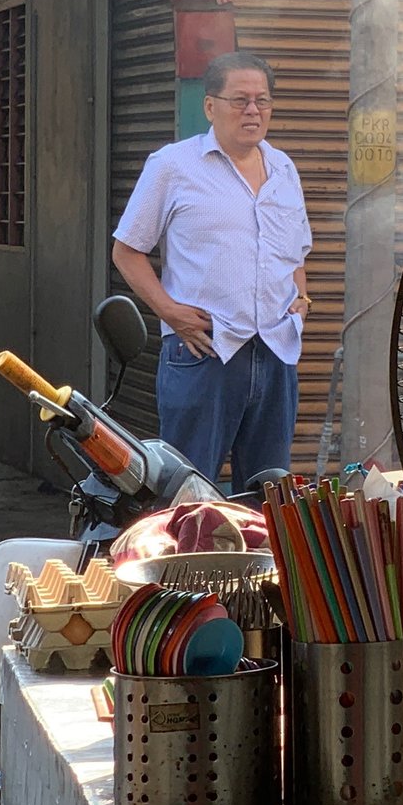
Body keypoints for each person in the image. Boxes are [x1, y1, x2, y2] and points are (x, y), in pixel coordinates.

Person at [111, 51, 313, 485]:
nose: (253, 111)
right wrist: (169, 312)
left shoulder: (283, 169)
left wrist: (302, 297)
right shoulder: (173, 165)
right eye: (240, 100)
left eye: (262, 100)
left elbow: (295, 250)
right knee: (186, 492)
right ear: (210, 106)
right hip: (205, 351)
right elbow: (126, 251)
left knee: (269, 495)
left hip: (276, 352)